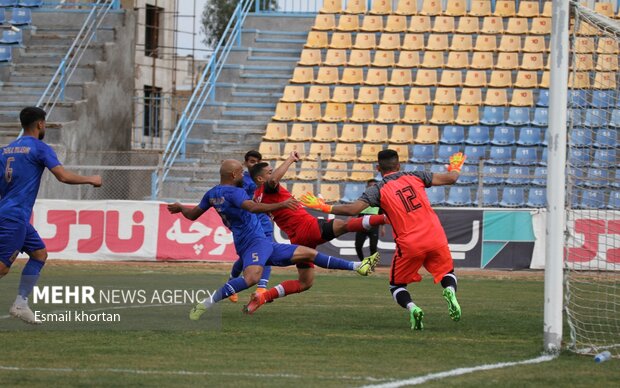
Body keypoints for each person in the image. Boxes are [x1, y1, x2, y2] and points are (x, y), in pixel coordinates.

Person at [167, 159, 379, 321]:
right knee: (251, 279)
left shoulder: (212, 193)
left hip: (260, 242)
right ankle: (205, 303)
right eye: (241, 172)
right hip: (253, 243)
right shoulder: (235, 192)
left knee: (309, 253)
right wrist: (281, 205)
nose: (243, 175)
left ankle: (358, 266)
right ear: (233, 174)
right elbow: (252, 206)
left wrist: (180, 209)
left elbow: (193, 214)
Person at [301, 150, 466, 331]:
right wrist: (456, 167)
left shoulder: (378, 189)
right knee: (446, 272)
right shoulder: (416, 176)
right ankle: (449, 290)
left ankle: (413, 307)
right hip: (435, 236)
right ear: (399, 165)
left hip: (410, 243)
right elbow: (451, 178)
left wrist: (324, 207)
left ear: (378, 168)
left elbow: (352, 209)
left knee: (396, 285)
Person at [244, 151, 386, 312]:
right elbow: (274, 180)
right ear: (260, 179)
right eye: (269, 172)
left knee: (305, 282)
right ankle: (385, 219)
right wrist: (290, 159)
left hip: (297, 237)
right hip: (307, 226)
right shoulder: (268, 188)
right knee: (343, 224)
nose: (273, 173)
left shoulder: (257, 195)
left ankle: (262, 297)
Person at [0, 106, 102, 324]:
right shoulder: (39, 148)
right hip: (15, 215)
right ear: (40, 124)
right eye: (44, 124)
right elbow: (63, 176)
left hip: (8, 211)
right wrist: (91, 179)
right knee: (2, 267)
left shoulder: (6, 150)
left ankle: (20, 303)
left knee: (39, 253)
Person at [227, 150, 274, 303]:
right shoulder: (242, 180)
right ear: (246, 163)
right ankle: (231, 282)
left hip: (264, 222)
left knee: (268, 251)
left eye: (257, 162)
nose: (254, 164)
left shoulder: (264, 180)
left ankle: (262, 288)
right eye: (252, 161)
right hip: (250, 224)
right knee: (244, 258)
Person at [354, 179, 382, 261]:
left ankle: (371, 264)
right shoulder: (361, 197)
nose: (371, 187)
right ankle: (363, 262)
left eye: (373, 186)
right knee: (358, 245)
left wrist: (383, 227)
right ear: (367, 187)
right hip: (361, 222)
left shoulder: (379, 198)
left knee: (373, 246)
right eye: (370, 186)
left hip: (374, 223)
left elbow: (381, 212)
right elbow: (355, 208)